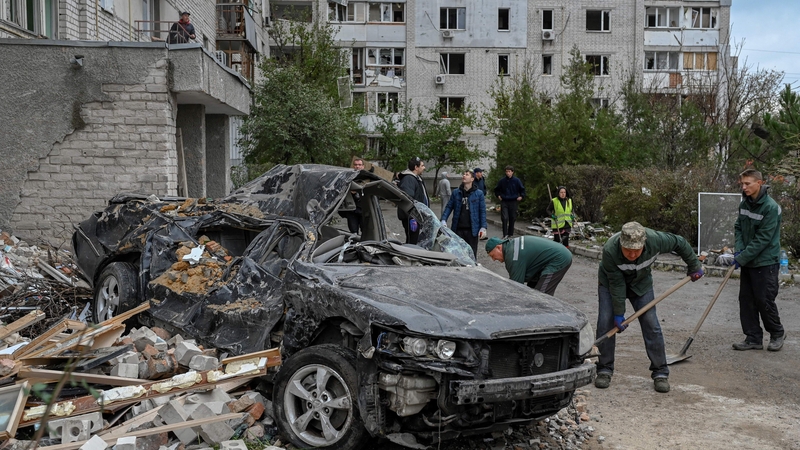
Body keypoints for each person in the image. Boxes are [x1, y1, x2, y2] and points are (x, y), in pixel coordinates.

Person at [594, 222, 704, 394]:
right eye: (627, 250)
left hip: (641, 284)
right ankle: (604, 369)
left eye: (636, 250)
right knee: (605, 323)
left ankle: (660, 373)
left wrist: (694, 265)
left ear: (644, 243)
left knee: (651, 324)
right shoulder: (610, 250)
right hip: (610, 284)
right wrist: (619, 313)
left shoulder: (656, 240)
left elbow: (680, 242)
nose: (631, 254)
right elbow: (617, 285)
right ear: (621, 244)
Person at [731, 168, 785, 352]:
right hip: (748, 260)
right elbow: (738, 227)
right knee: (746, 300)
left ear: (759, 183)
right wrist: (739, 250)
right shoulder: (744, 204)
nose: (744, 187)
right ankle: (753, 337)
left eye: (748, 183)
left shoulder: (771, 208)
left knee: (764, 300)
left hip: (766, 262)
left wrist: (743, 257)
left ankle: (777, 333)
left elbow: (763, 239)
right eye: (742, 184)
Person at [485, 235, 572, 296]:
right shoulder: (511, 247)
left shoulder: (513, 256)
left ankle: (548, 318)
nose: (493, 259)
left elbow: (516, 286)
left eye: (493, 255)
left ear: (499, 247)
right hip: (553, 257)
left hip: (559, 259)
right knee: (531, 292)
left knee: (541, 297)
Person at [441, 170, 487, 258]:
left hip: (472, 230)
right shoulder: (456, 192)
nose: (464, 176)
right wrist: (443, 219)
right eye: (463, 174)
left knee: (471, 255)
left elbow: (482, 211)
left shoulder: (479, 194)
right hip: (458, 229)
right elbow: (449, 207)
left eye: (467, 174)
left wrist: (483, 227)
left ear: (472, 179)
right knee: (458, 254)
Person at [397, 157, 429, 244]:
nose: (424, 168)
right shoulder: (409, 179)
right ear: (416, 167)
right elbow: (408, 199)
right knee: (412, 241)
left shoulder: (416, 178)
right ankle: (408, 257)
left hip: (416, 216)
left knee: (414, 240)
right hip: (411, 218)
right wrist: (412, 218)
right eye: (422, 166)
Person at [493, 165, 525, 238]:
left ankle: (510, 233)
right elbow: (496, 189)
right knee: (504, 217)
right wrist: (498, 195)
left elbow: (522, 189)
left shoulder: (516, 181)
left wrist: (521, 196)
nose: (508, 173)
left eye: (509, 171)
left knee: (512, 217)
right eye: (506, 171)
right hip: (504, 200)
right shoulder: (502, 181)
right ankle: (505, 234)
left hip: (513, 201)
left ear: (512, 172)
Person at [339, 158, 365, 234]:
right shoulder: (347, 177)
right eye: (355, 165)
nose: (357, 166)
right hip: (352, 210)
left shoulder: (367, 178)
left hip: (363, 210)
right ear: (353, 166)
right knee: (353, 232)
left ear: (363, 166)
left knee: (365, 231)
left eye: (359, 165)